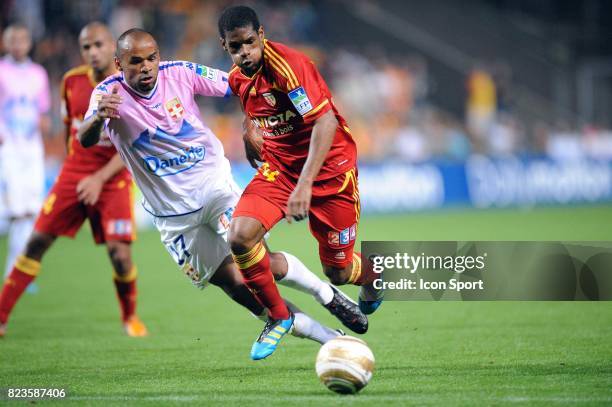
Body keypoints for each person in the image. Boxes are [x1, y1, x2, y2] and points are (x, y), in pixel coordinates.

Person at [77, 29, 367, 359]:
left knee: (255, 257)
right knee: (236, 287)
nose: (146, 67)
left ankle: (324, 293)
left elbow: (240, 84)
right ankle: (330, 339)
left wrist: (250, 123)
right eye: (136, 61)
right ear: (119, 64)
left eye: (151, 58)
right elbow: (85, 138)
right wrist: (99, 118)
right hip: (172, 216)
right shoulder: (106, 95)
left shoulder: (181, 73)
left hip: (214, 187)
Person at [218, 6, 383, 357]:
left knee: (338, 271)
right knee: (240, 236)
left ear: (261, 35)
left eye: (250, 42)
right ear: (225, 47)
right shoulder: (237, 77)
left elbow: (326, 123)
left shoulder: (289, 67)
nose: (245, 52)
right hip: (279, 170)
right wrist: (249, 130)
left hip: (330, 174)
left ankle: (372, 276)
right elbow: (253, 106)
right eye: (236, 47)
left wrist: (305, 185)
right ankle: (279, 316)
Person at [0, 22, 147, 338]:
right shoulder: (71, 82)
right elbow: (72, 133)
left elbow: (134, 147)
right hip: (75, 172)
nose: (93, 52)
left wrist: (97, 178)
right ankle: (1, 317)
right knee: (36, 241)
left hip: (113, 177)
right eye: (86, 47)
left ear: (113, 48)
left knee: (120, 256)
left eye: (98, 45)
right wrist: (76, 170)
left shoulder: (130, 87)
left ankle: (130, 318)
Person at [0, 23, 50, 294]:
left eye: (22, 39)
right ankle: (15, 272)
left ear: (29, 43)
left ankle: (17, 273)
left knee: (30, 211)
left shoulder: (38, 73)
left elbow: (42, 109)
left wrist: (44, 123)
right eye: (12, 40)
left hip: (32, 148)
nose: (18, 44)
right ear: (5, 43)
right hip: (9, 147)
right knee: (18, 212)